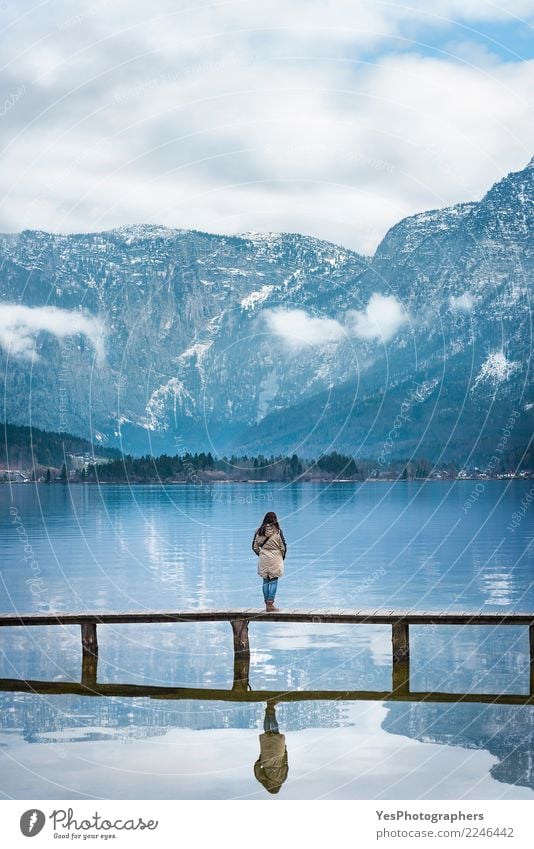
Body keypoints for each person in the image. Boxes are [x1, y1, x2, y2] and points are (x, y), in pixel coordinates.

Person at [252, 511, 287, 611]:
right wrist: (281, 557)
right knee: (274, 581)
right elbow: (283, 547)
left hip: (263, 558)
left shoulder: (259, 531)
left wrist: (261, 554)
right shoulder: (278, 532)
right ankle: (270, 604)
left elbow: (254, 547)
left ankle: (267, 604)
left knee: (265, 581)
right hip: (275, 558)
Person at [254, 703, 289, 794]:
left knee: (276, 733)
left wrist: (285, 750)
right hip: (266, 759)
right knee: (267, 732)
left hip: (278, 757)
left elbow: (286, 765)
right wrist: (261, 758)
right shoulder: (263, 780)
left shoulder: (282, 779)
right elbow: (257, 767)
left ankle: (271, 708)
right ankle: (268, 710)